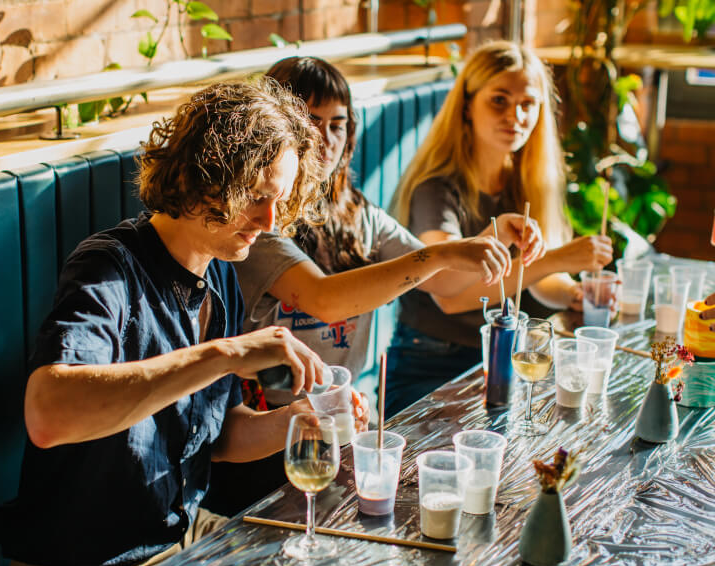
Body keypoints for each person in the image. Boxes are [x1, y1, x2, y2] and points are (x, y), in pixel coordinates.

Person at [0, 79, 339, 566]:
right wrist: (226, 354)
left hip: (178, 540)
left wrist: (299, 421)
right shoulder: (109, 267)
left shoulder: (219, 274)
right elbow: (48, 416)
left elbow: (219, 437)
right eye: (256, 197)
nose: (270, 221)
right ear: (205, 177)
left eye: (280, 200)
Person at [202, 56, 543, 517]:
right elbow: (324, 299)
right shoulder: (257, 221)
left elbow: (442, 283)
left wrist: (495, 235)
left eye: (338, 124)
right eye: (311, 121)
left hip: (342, 431)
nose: (326, 138)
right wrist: (439, 253)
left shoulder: (359, 215)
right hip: (264, 442)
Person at [385, 40, 613, 415]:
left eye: (528, 103)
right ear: (467, 105)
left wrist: (575, 293)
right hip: (431, 364)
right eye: (499, 100)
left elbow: (537, 279)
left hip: (504, 359)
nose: (515, 116)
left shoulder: (527, 182)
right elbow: (449, 296)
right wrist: (557, 259)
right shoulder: (436, 188)